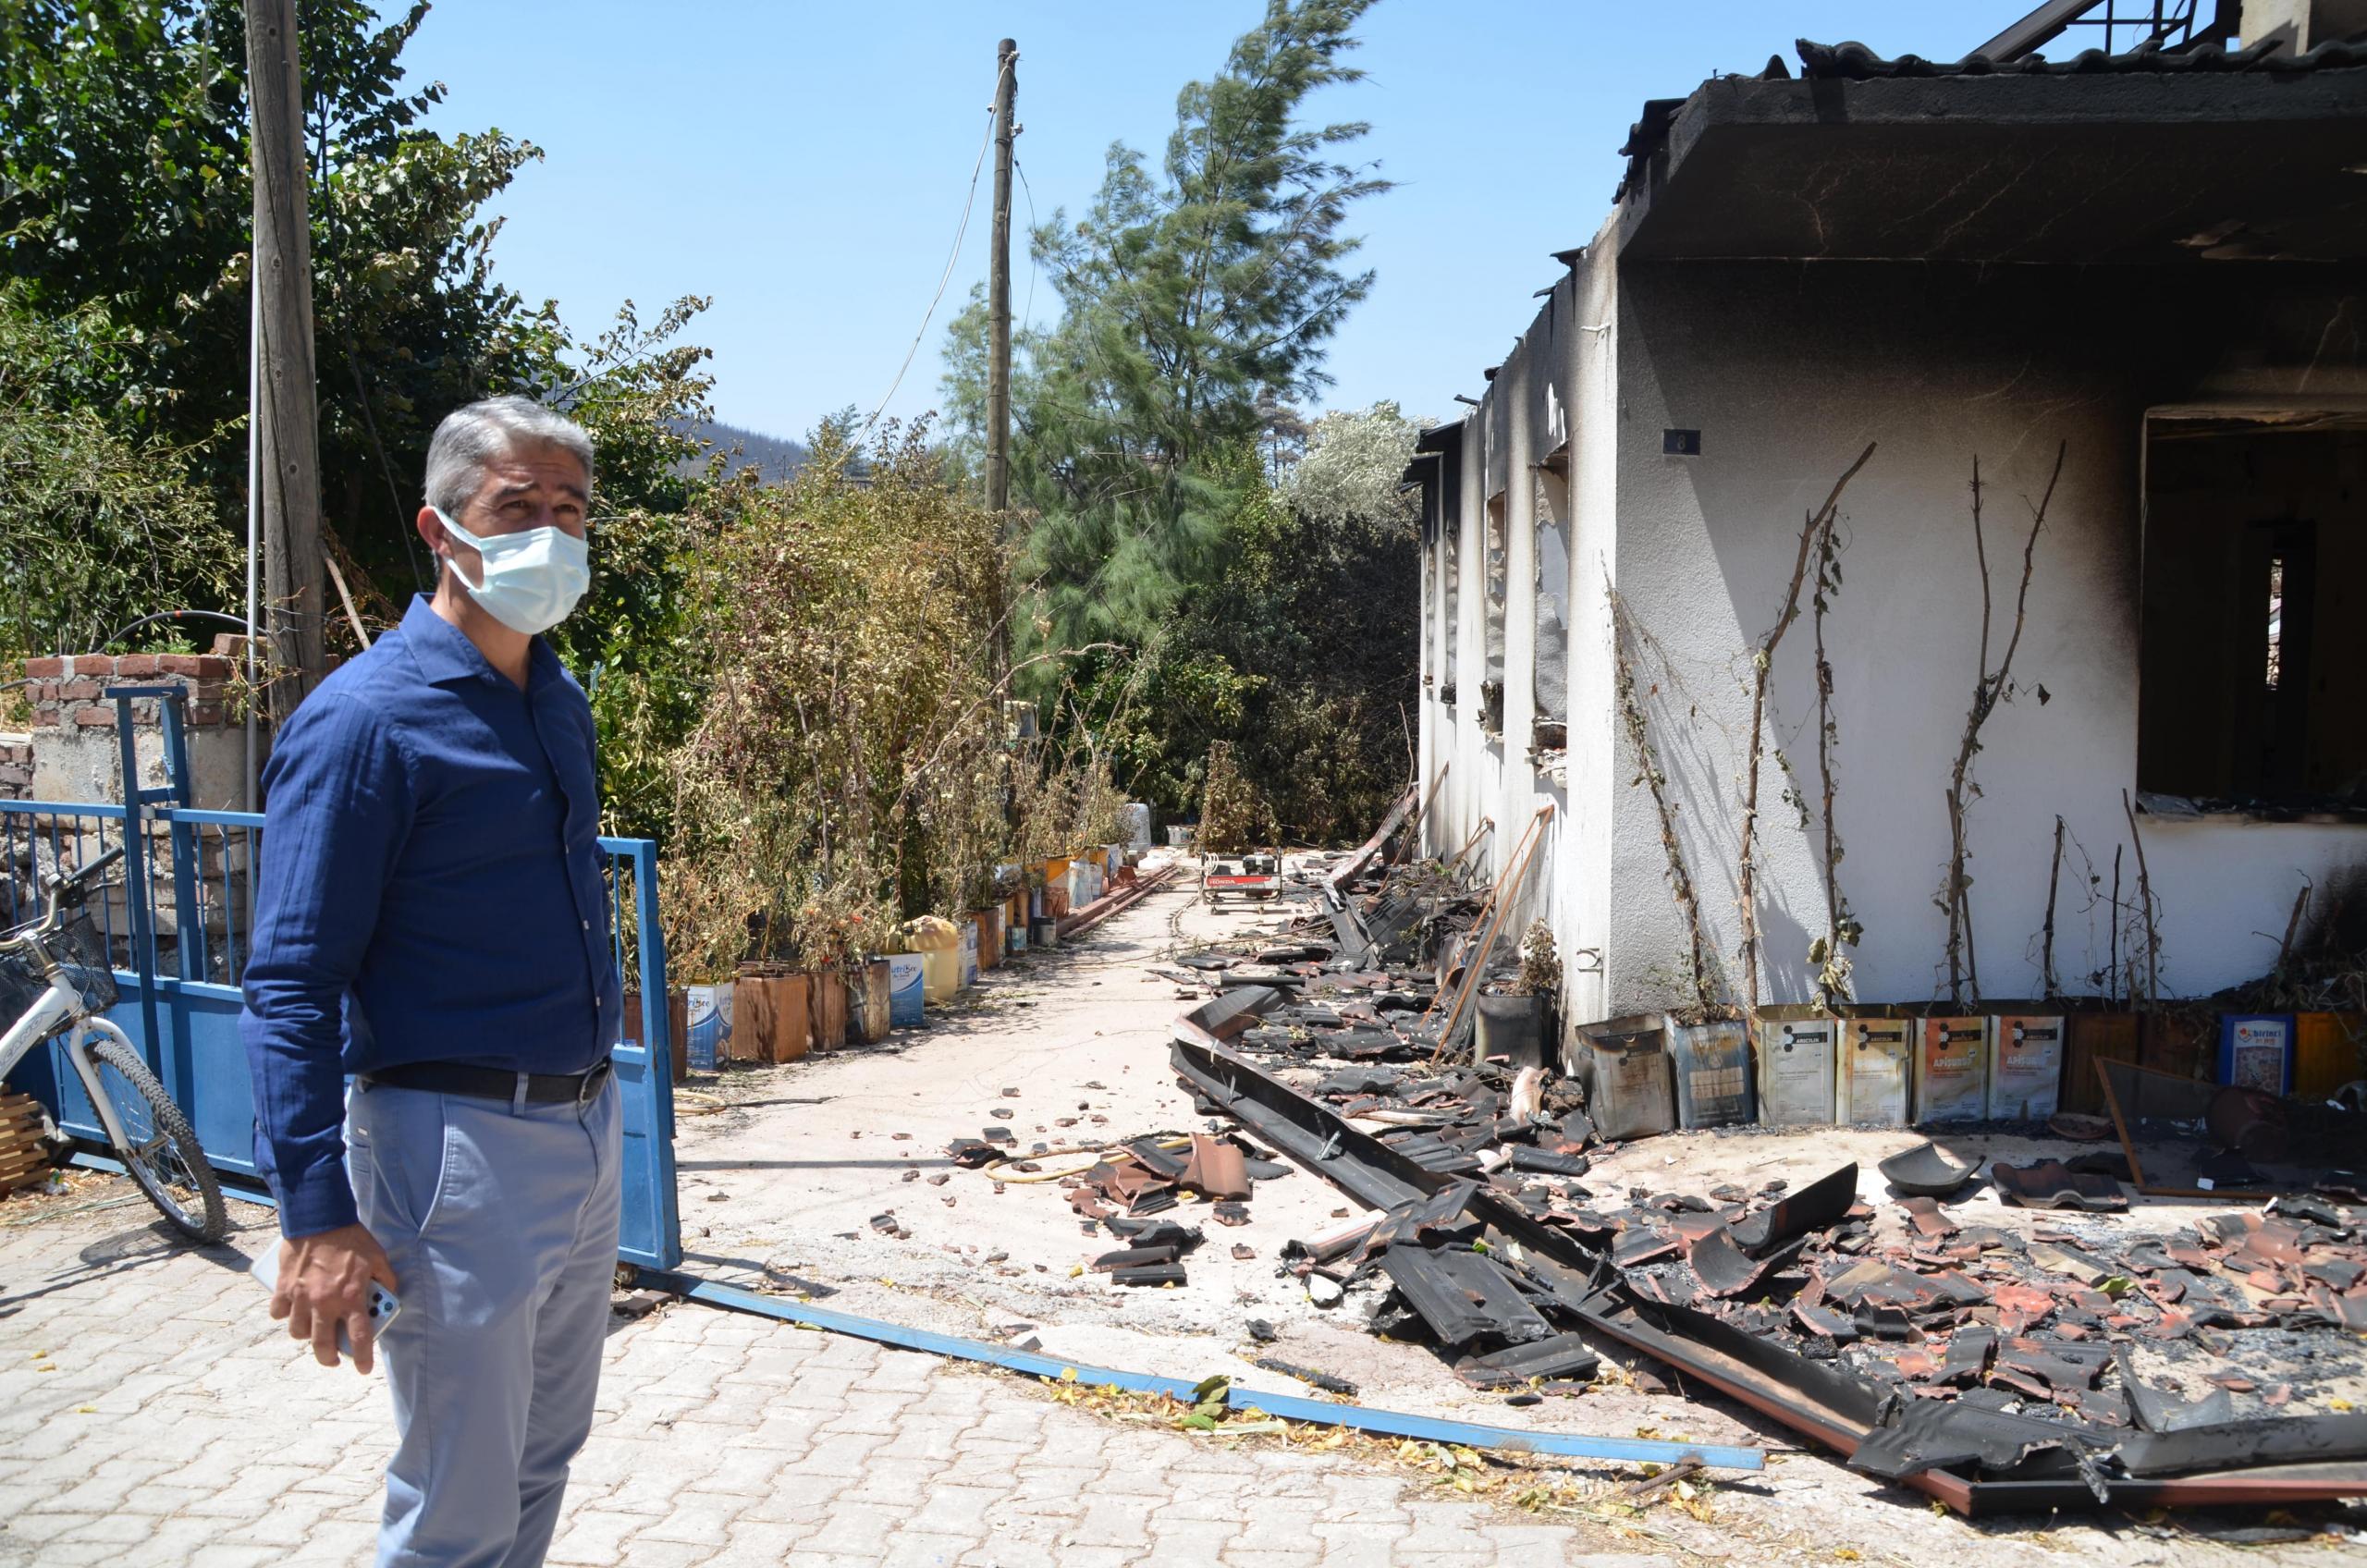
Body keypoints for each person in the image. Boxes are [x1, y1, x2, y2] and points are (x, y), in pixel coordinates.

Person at [240, 395, 622, 1568]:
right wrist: (315, 1214)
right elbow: (292, 982)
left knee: (540, 1460)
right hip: (457, 1151)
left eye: (569, 509)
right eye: (518, 507)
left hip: (585, 1128)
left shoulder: (553, 698)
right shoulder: (366, 721)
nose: (549, 534)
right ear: (440, 528)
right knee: (454, 1504)